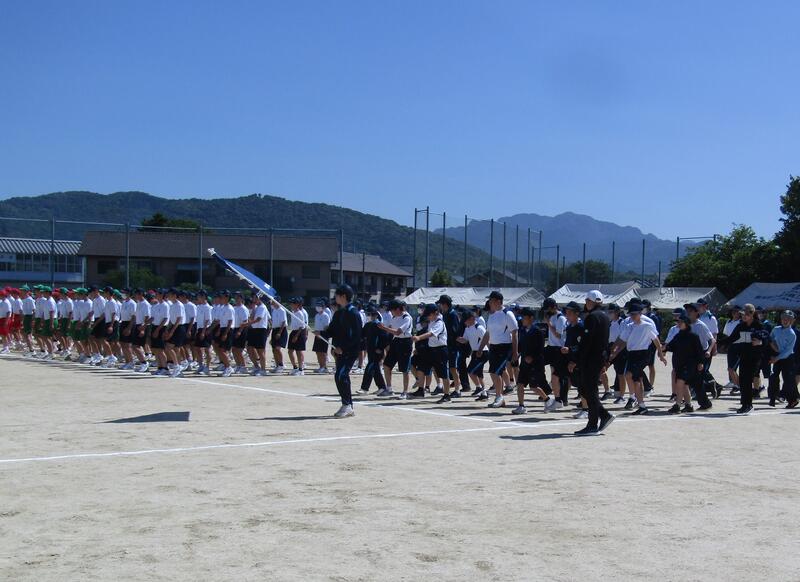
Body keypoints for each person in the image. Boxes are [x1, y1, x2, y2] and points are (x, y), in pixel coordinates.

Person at [610, 302, 667, 415]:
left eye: (635, 314)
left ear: (640, 314)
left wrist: (660, 354)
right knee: (633, 378)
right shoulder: (629, 326)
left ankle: (635, 399)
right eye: (631, 314)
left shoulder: (647, 325)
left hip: (643, 354)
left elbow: (656, 340)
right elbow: (622, 340)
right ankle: (639, 403)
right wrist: (614, 352)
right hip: (632, 354)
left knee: (630, 376)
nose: (632, 316)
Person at [315, 284, 362, 418]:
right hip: (339, 350)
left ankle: (347, 405)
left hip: (350, 351)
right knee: (340, 376)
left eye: (336, 295)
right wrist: (321, 333)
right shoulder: (339, 313)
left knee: (341, 375)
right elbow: (332, 331)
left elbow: (357, 335)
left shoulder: (353, 313)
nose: (335, 297)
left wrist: (344, 347)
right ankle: (347, 405)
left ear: (343, 296)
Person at [573, 290, 614, 434]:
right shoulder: (605, 316)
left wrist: (578, 359)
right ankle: (603, 415)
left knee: (589, 390)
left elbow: (587, 342)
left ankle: (593, 424)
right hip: (599, 357)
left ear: (590, 302)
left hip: (591, 358)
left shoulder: (592, 317)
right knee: (587, 390)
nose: (586, 303)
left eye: (587, 301)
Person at [478, 291, 519, 409]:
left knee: (497, 372)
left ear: (498, 301)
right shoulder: (492, 315)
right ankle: (499, 397)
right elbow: (487, 333)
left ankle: (499, 396)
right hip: (494, 347)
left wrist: (515, 352)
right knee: (492, 372)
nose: (489, 302)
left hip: (505, 347)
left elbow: (515, 333)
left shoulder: (507, 313)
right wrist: (481, 347)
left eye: (491, 300)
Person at [726, 304, 767, 414]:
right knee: (743, 381)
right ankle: (745, 404)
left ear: (752, 314)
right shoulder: (741, 326)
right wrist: (717, 342)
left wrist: (760, 342)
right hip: (744, 356)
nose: (744, 316)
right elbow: (731, 338)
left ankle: (748, 405)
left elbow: (767, 340)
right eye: (743, 314)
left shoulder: (758, 325)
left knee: (747, 380)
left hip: (755, 358)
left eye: (746, 314)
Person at [663, 313, 704, 413]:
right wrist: (664, 348)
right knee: (684, 385)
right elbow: (671, 346)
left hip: (690, 364)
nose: (678, 323)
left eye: (680, 322)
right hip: (679, 364)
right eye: (678, 322)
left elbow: (699, 351)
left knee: (680, 382)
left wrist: (700, 362)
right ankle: (689, 405)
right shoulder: (678, 335)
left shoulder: (693, 336)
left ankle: (677, 405)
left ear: (686, 323)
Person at [511, 307, 548, 414]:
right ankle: (521, 406)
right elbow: (521, 345)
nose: (522, 319)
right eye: (522, 317)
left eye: (524, 317)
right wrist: (516, 354)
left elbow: (541, 348)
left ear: (531, 318)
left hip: (535, 364)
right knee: (520, 384)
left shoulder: (537, 331)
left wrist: (532, 357)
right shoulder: (522, 330)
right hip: (524, 363)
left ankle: (548, 400)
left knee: (534, 387)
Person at [412, 304, 451, 403]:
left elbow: (431, 334)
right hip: (430, 349)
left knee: (443, 374)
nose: (428, 317)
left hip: (440, 350)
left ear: (435, 313)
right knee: (421, 368)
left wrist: (419, 337)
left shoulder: (439, 323)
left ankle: (447, 395)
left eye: (429, 315)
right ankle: (421, 390)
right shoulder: (431, 322)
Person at [379, 299, 415, 398]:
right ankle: (389, 389)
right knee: (387, 365)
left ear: (398, 309)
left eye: (392, 310)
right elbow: (390, 327)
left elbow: (398, 332)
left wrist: (384, 328)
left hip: (405, 342)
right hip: (396, 341)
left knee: (404, 369)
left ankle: (405, 392)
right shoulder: (394, 317)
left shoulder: (407, 318)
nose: (391, 312)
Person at [768, 310, 798, 408]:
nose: (785, 320)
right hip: (776, 356)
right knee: (773, 377)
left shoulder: (792, 334)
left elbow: (788, 351)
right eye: (783, 318)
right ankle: (773, 397)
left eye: (788, 319)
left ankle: (793, 400)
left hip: (787, 358)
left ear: (792, 321)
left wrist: (776, 358)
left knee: (788, 380)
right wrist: (772, 351)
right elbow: (770, 338)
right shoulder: (776, 329)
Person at [361, 306, 391, 395]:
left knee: (370, 367)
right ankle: (382, 387)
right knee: (375, 369)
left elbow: (385, 338)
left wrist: (380, 348)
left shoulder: (379, 325)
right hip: (370, 350)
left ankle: (364, 388)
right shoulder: (368, 325)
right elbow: (362, 335)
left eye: (370, 314)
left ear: (375, 315)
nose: (368, 316)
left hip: (377, 351)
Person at [460, 310, 489, 398]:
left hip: (483, 352)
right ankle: (483, 391)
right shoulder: (467, 328)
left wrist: (485, 351)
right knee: (479, 373)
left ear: (472, 318)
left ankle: (479, 388)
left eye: (466, 320)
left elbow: (486, 339)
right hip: (475, 352)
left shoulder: (479, 327)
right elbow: (465, 340)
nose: (464, 322)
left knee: (471, 371)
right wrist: (456, 338)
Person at [246, 293, 271, 376]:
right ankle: (256, 366)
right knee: (250, 348)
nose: (253, 300)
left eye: (254, 298)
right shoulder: (256, 307)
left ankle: (263, 369)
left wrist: (248, 323)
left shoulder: (263, 307)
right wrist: (253, 309)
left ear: (258, 298)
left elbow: (258, 319)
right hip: (254, 329)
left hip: (261, 330)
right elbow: (251, 317)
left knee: (261, 351)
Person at [286, 297, 308, 376]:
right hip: (293, 331)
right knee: (290, 351)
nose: (291, 305)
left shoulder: (300, 313)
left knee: (299, 351)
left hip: (299, 332)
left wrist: (296, 336)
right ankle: (295, 367)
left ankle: (301, 369)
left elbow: (302, 326)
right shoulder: (293, 312)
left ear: (297, 304)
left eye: (292, 303)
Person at [269, 295, 288, 373]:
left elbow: (283, 322)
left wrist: (279, 333)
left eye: (274, 301)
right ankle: (277, 365)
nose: (272, 302)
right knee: (274, 349)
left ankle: (281, 364)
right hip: (275, 330)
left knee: (277, 348)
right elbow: (273, 323)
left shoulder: (282, 310)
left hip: (281, 330)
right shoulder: (274, 310)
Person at [312, 299, 331, 373]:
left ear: (323, 307)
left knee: (323, 352)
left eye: (320, 306)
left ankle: (324, 367)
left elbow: (326, 327)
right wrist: (315, 332)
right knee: (317, 351)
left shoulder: (326, 315)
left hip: (323, 334)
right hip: (317, 335)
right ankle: (321, 366)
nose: (318, 307)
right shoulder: (316, 315)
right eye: (317, 306)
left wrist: (320, 333)